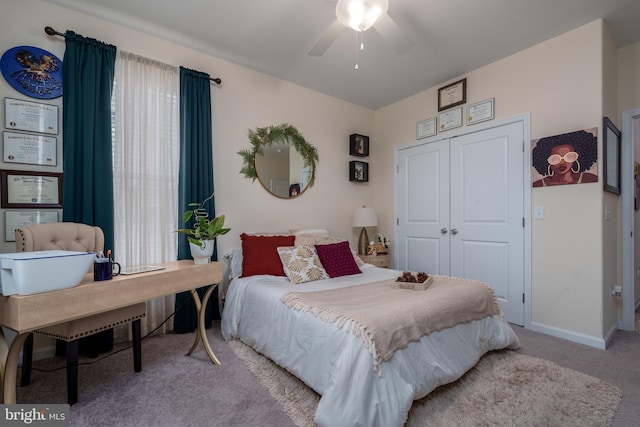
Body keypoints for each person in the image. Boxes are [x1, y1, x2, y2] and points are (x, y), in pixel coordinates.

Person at [532, 129, 598, 187]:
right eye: (555, 159)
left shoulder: (589, 178)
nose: (562, 162)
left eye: (569, 157)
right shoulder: (538, 184)